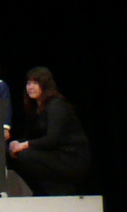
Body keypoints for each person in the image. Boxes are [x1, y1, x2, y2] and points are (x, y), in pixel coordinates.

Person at [7, 66, 91, 195]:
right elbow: (32, 136)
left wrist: (23, 145)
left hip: (70, 158)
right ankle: (45, 190)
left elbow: (52, 140)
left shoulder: (56, 105)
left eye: (35, 83)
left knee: (25, 155)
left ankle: (58, 189)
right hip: (53, 154)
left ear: (45, 85)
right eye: (28, 83)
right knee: (12, 154)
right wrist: (15, 143)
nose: (30, 87)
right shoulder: (35, 108)